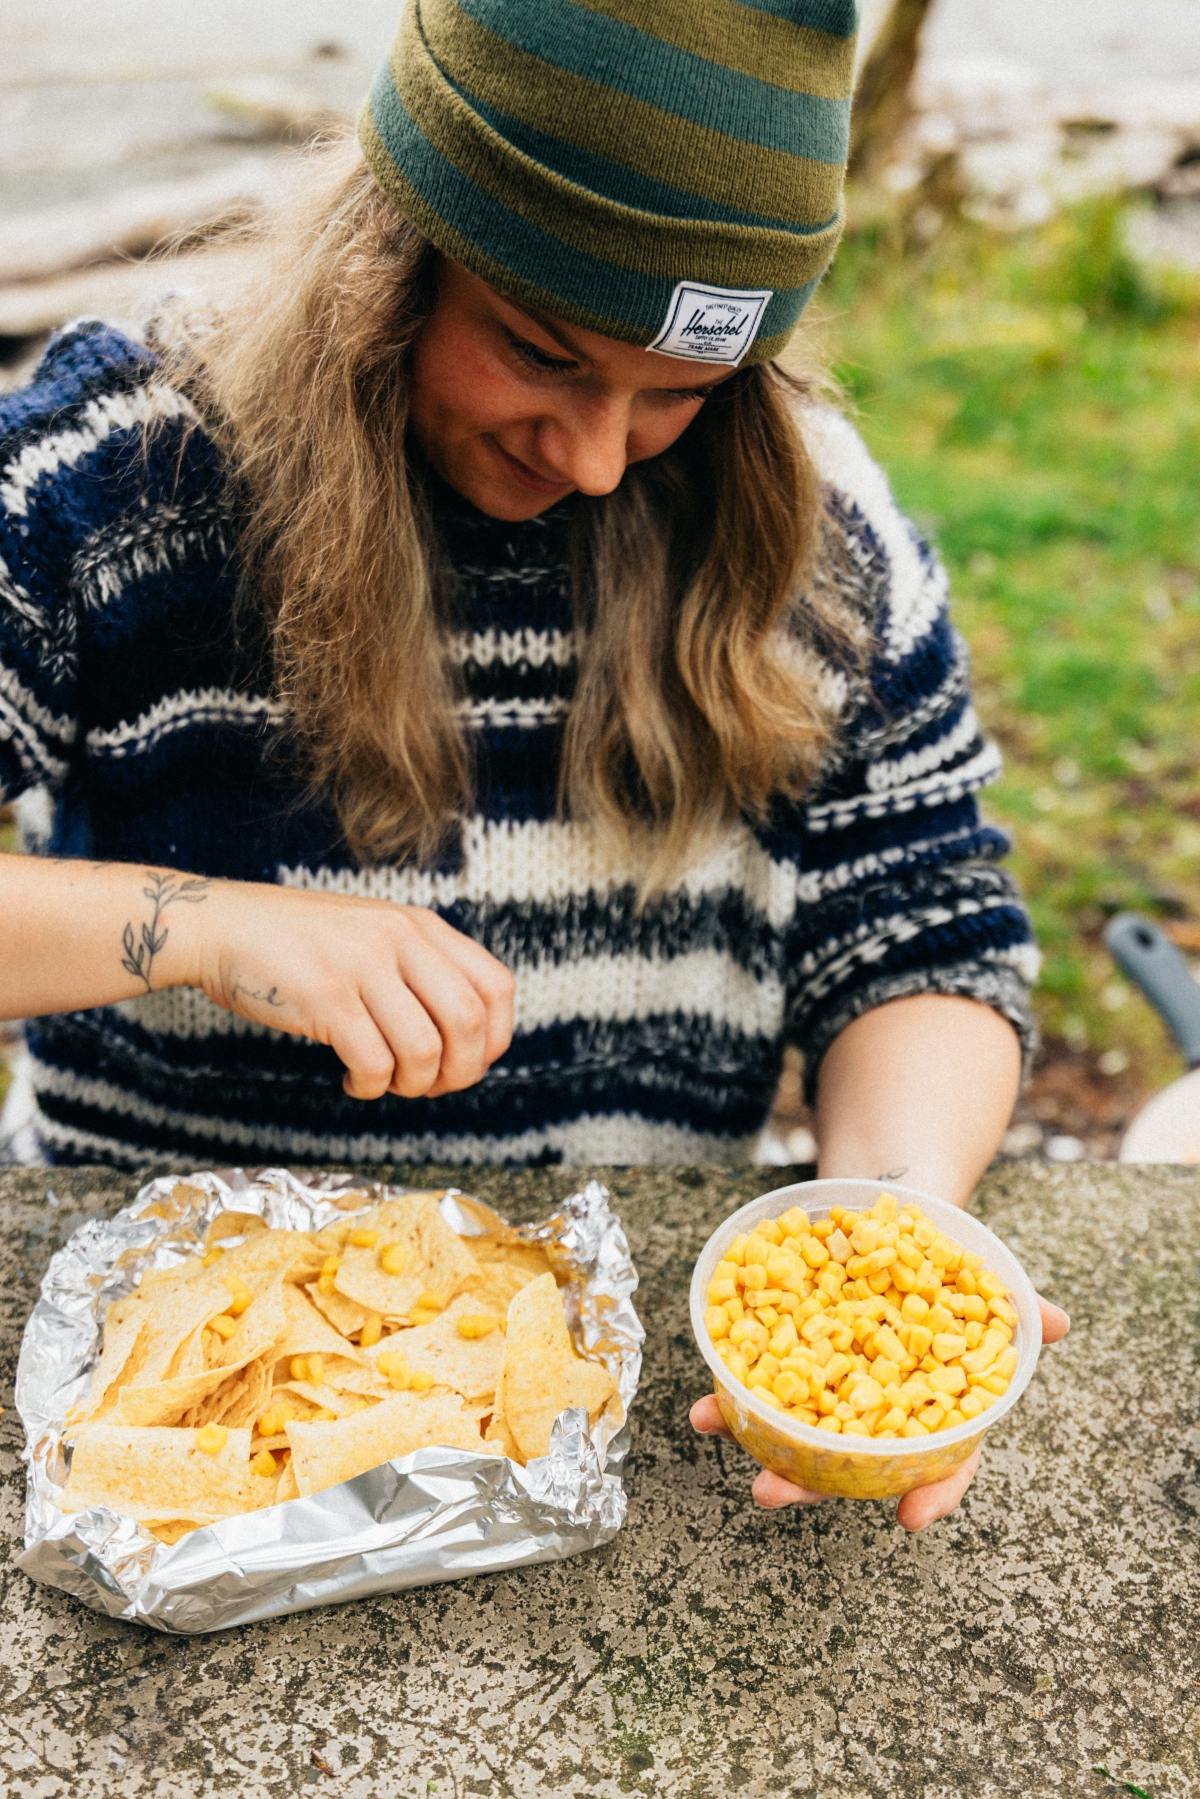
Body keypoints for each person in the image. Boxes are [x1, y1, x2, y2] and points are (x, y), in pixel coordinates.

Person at [0, 0, 1066, 1526]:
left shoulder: (826, 534)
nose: (596, 457)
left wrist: (884, 1239)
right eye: (539, 354)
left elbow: (926, 925)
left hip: (608, 1407)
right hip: (166, 1407)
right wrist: (206, 927)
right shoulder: (109, 476)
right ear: (393, 258)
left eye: (678, 396)